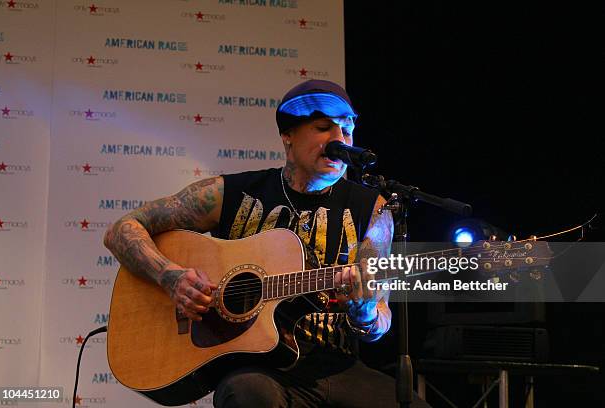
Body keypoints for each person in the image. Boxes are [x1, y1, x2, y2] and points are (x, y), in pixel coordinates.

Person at [104, 79, 430, 407]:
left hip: (336, 365)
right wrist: (169, 277)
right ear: (287, 136)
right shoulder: (228, 194)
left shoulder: (374, 209)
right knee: (249, 393)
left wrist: (365, 308)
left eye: (347, 130)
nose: (339, 140)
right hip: (256, 371)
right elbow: (122, 230)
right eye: (323, 127)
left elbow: (379, 325)